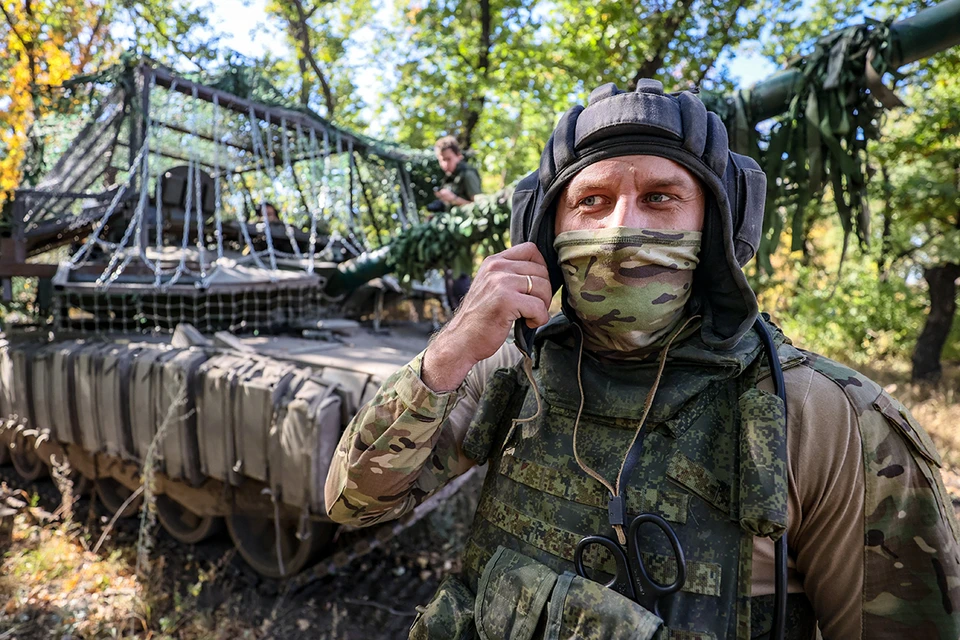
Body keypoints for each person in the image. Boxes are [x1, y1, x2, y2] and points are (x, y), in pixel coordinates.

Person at [324, 80, 960, 639]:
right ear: (548, 231)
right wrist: (449, 350)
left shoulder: (827, 419)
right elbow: (353, 502)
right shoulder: (507, 370)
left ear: (717, 228)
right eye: (592, 201)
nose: (620, 230)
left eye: (660, 197)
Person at [428, 136, 483, 310]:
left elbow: (480, 207)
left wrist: (454, 199)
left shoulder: (467, 174)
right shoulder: (450, 178)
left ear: (459, 155)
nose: (444, 164)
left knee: (460, 285)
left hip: (463, 239)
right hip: (450, 240)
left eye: (448, 159)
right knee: (450, 286)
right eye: (441, 160)